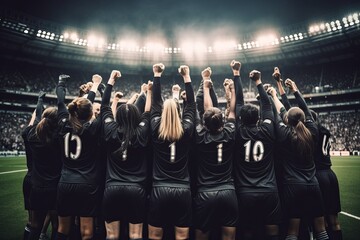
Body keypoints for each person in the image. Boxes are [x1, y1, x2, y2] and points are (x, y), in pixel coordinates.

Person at [269, 79, 329, 240]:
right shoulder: (313, 132)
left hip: (293, 186)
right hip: (313, 184)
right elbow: (306, 111)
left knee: (292, 231)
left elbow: (280, 113)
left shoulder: (285, 134)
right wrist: (295, 90)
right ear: (304, 119)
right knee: (321, 230)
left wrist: (273, 96)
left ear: (288, 120)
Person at [100, 70, 152, 240]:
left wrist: (110, 81)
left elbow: (105, 106)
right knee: (136, 235)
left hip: (112, 189)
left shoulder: (110, 130)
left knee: (112, 235)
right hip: (136, 190)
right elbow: (147, 113)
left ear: (118, 117)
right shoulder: (142, 132)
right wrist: (149, 92)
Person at [232, 62, 281, 240]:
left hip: (245, 191)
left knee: (247, 231)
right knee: (272, 232)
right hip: (269, 190)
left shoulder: (237, 131)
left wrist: (236, 74)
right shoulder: (267, 130)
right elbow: (268, 107)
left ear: (241, 119)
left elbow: (238, 103)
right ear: (258, 118)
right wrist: (259, 82)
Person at [148, 63, 195, 240]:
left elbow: (156, 103)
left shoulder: (155, 128)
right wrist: (186, 77)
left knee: (155, 236)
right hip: (182, 190)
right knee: (181, 237)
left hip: (159, 189)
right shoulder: (187, 129)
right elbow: (190, 106)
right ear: (178, 112)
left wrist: (157, 75)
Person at [55, 74, 103, 240]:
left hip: (65, 182)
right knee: (87, 232)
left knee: (62, 229)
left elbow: (61, 102)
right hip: (87, 184)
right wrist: (97, 87)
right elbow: (102, 109)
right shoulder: (92, 128)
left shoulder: (62, 124)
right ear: (90, 113)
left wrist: (61, 83)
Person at [193, 65, 238, 240]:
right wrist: (232, 91)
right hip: (228, 191)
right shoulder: (230, 133)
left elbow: (207, 110)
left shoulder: (200, 135)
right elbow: (233, 110)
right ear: (222, 122)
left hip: (205, 193)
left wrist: (205, 85)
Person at [23, 91, 62, 240]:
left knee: (35, 224)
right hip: (55, 187)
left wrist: (39, 102)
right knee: (57, 225)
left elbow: (37, 119)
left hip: (36, 187)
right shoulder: (58, 137)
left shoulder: (31, 135)